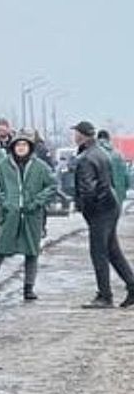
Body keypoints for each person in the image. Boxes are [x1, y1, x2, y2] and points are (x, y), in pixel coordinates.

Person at [70, 122, 134, 307]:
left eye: (76, 133)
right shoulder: (101, 153)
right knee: (113, 251)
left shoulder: (86, 158)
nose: (74, 136)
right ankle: (131, 285)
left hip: (100, 209)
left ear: (82, 135)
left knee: (98, 252)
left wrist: (85, 207)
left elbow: (88, 189)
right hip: (110, 205)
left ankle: (105, 296)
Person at [0, 133, 54, 300]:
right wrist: (3, 200)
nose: (21, 148)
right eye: (18, 145)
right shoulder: (4, 165)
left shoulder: (40, 166)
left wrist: (37, 201)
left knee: (31, 252)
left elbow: (52, 186)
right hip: (10, 214)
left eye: (24, 145)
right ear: (13, 148)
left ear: (30, 147)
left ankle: (28, 287)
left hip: (31, 215)